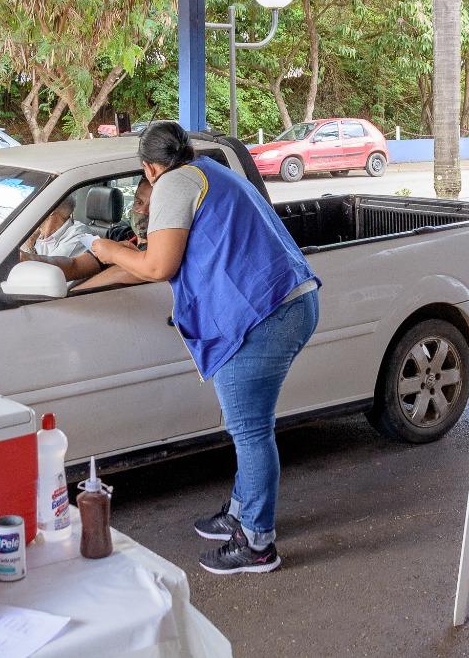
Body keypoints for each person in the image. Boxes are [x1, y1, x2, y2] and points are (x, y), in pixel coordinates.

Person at [90, 121, 320, 575]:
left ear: (149, 168)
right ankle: (241, 513)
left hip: (262, 316)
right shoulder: (206, 172)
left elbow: (156, 265)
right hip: (287, 303)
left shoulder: (174, 183)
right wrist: (91, 275)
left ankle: (257, 543)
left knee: (250, 430)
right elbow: (151, 263)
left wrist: (106, 249)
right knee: (251, 427)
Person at [26, 178, 153, 287]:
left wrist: (74, 294)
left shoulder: (162, 251)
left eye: (153, 205)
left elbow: (124, 272)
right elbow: (76, 265)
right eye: (139, 202)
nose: (143, 211)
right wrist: (27, 259)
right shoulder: (118, 235)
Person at [20, 193, 90, 260]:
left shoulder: (79, 235)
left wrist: (29, 247)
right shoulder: (36, 234)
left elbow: (49, 270)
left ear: (50, 210)